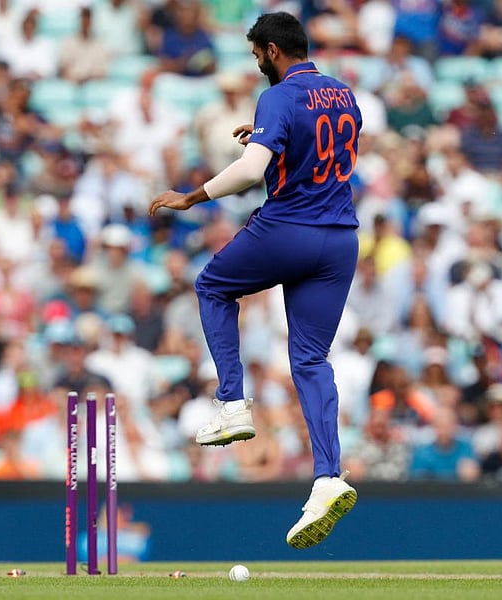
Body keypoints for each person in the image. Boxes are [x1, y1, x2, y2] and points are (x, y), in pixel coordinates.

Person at [148, 12, 362, 550]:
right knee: (312, 361)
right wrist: (264, 142)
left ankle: (232, 406)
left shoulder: (279, 96)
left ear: (271, 50)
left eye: (256, 56)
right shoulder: (344, 93)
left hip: (291, 228)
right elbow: (316, 153)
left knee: (212, 287)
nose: (257, 64)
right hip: (340, 239)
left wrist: (192, 196)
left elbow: (249, 173)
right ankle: (328, 477)